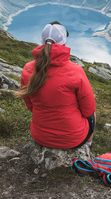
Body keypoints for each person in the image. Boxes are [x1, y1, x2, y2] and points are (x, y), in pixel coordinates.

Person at [16, 21, 96, 149]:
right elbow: (88, 109)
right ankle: (88, 146)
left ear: (42, 41)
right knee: (92, 115)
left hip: (40, 136)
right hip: (72, 139)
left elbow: (30, 106)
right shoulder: (75, 71)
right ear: (63, 43)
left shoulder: (28, 69)